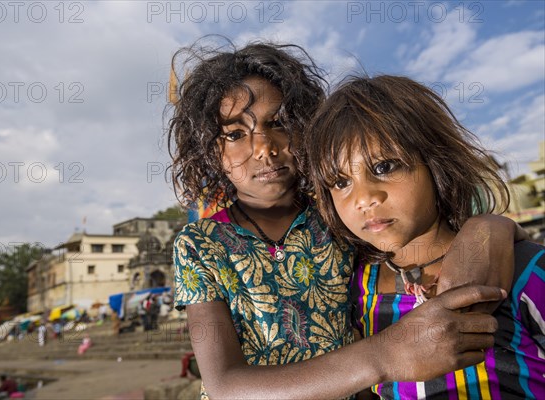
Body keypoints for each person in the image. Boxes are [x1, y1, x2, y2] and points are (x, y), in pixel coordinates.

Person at [168, 37, 518, 399]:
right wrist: (385, 355)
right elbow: (225, 386)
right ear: (210, 151)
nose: (264, 148)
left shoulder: (338, 216)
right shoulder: (199, 244)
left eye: (279, 123)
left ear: (307, 127)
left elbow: (411, 247)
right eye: (236, 133)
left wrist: (488, 227)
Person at [306, 74, 545, 398]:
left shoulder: (522, 269)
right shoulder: (354, 289)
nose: (363, 198)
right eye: (340, 182)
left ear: (437, 165)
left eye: (385, 167)